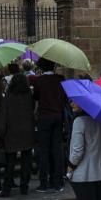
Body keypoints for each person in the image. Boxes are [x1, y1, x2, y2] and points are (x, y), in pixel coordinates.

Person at [0, 70, 34, 196]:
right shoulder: (29, 95)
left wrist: (0, 131)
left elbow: (4, 115)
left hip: (11, 131)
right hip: (27, 130)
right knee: (26, 160)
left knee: (10, 162)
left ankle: (7, 188)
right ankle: (24, 186)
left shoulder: (9, 95)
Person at [31, 58, 67, 192]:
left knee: (44, 150)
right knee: (57, 149)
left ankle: (44, 182)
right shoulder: (60, 79)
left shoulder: (39, 81)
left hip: (44, 117)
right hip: (58, 116)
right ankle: (58, 181)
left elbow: (36, 97)